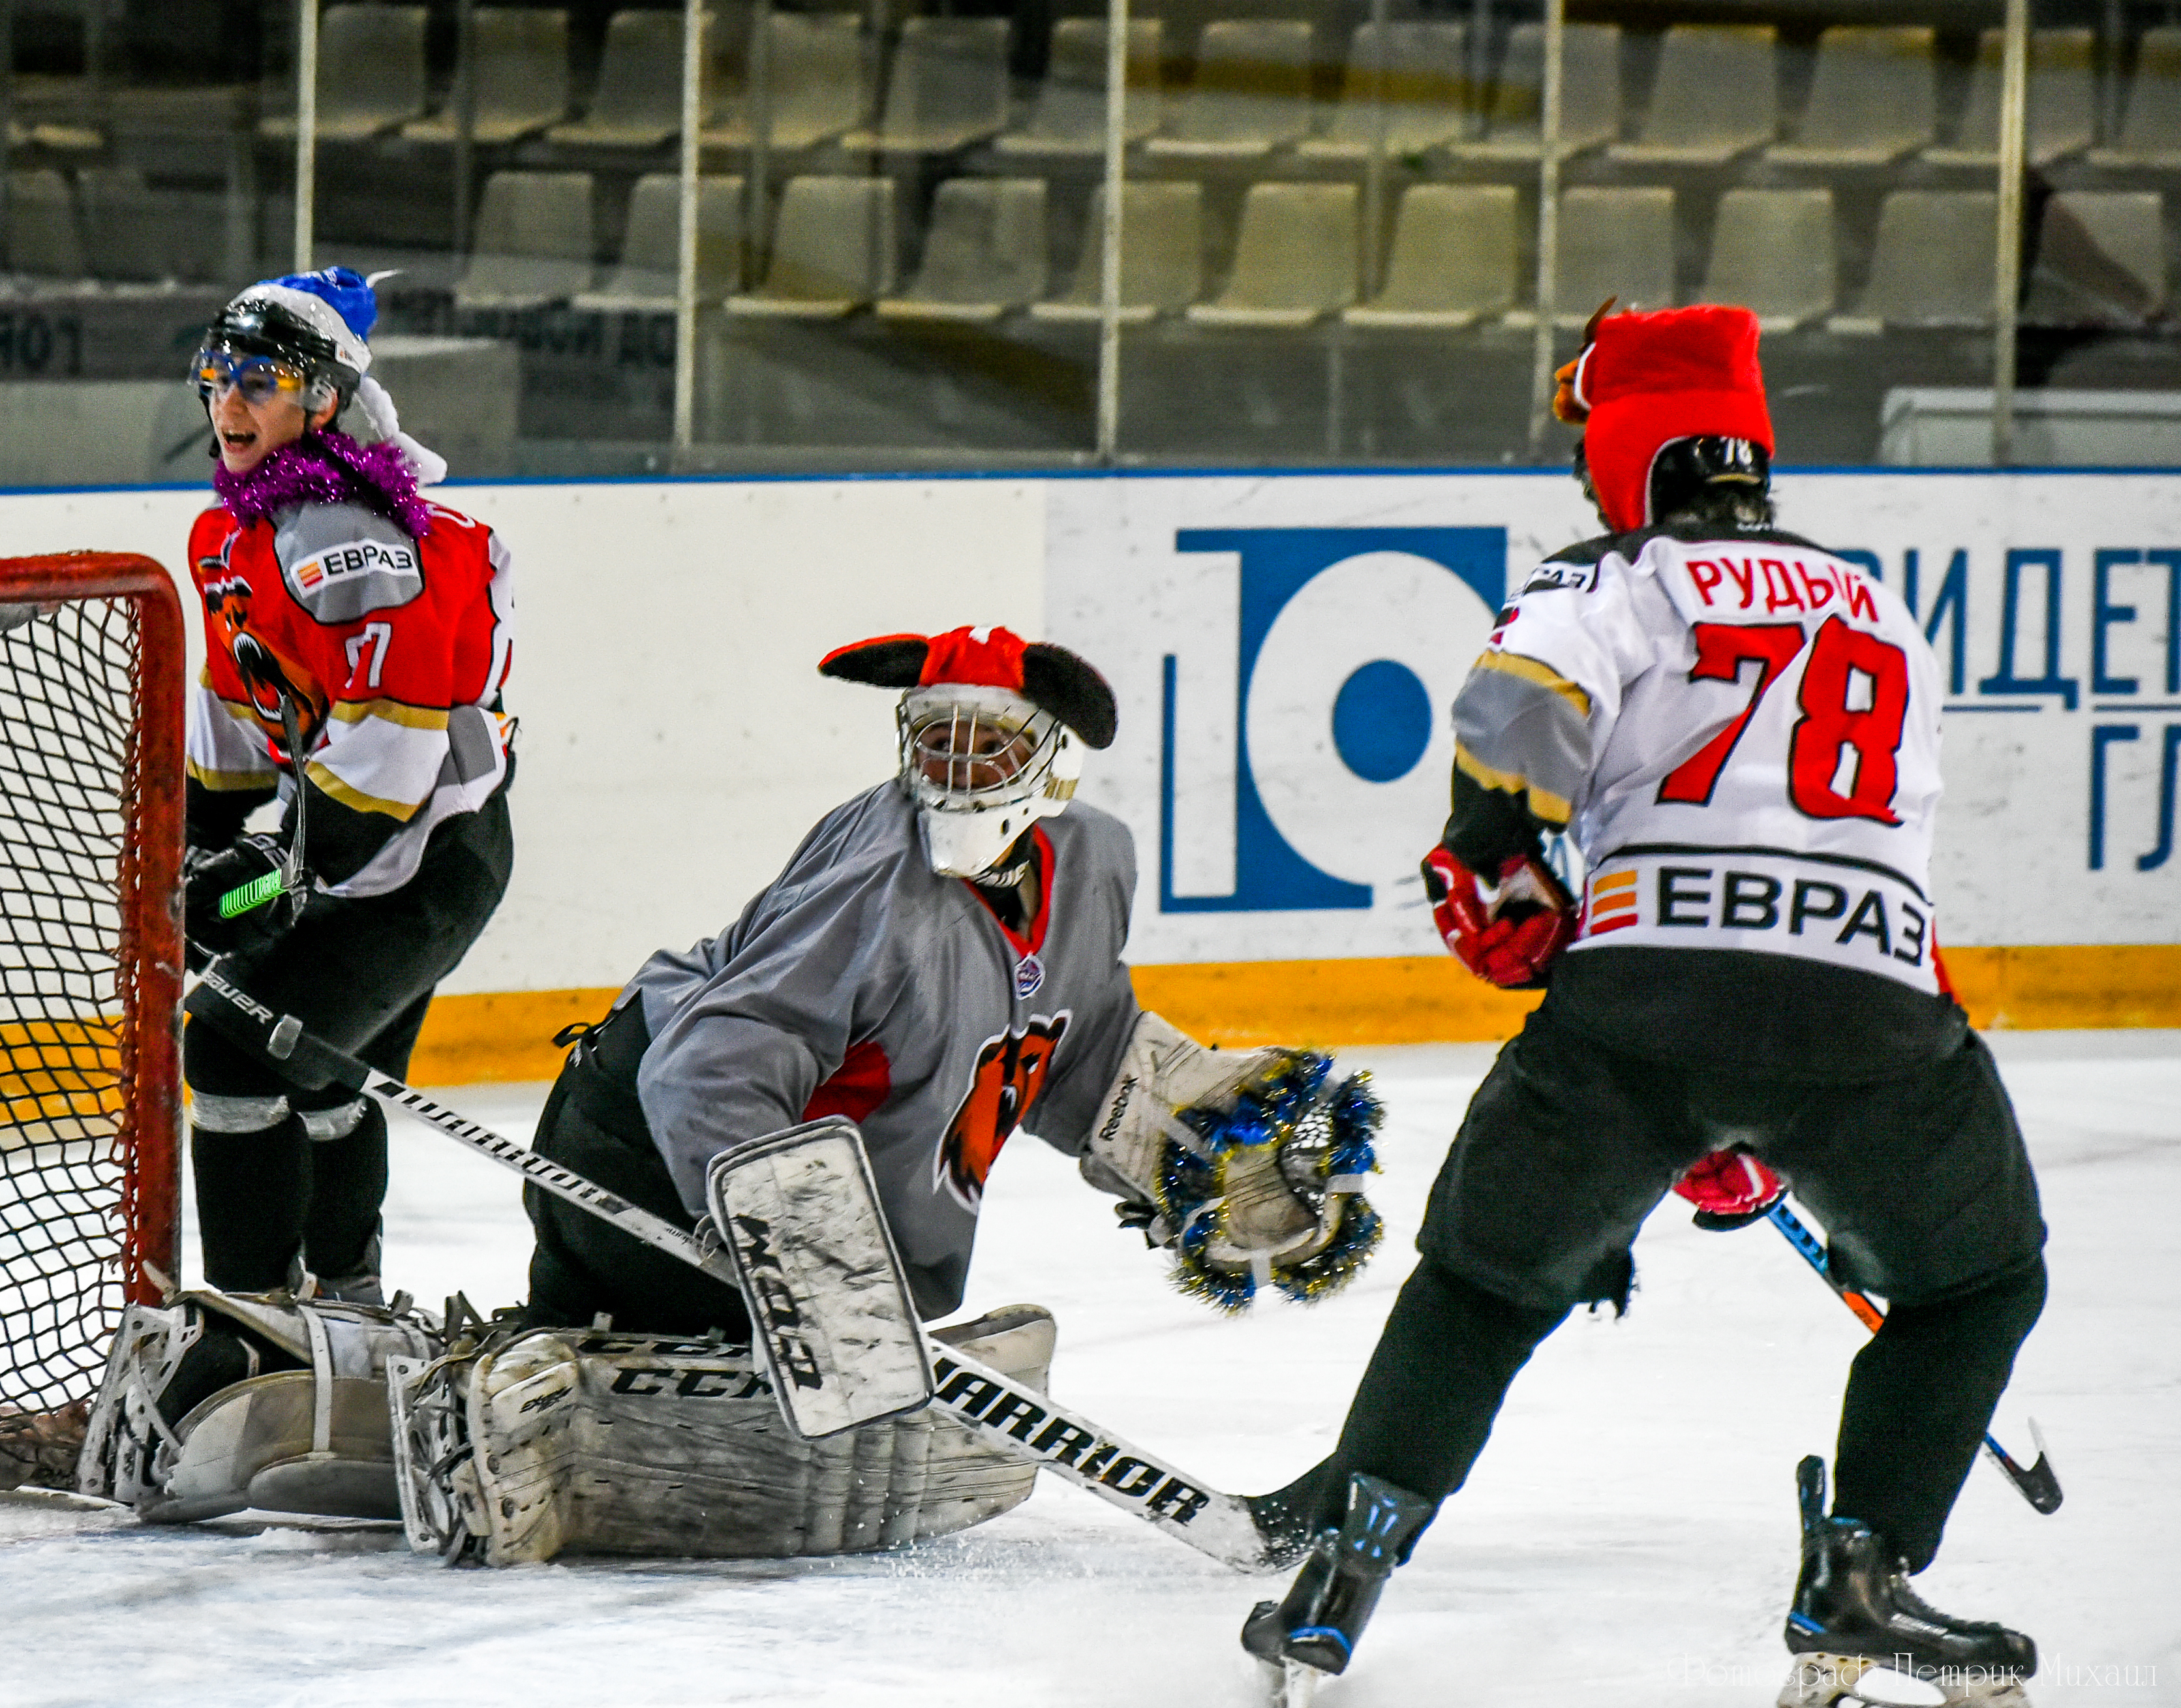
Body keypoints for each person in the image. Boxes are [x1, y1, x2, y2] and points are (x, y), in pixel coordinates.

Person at [1240, 305, 2047, 1708]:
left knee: (1486, 1285)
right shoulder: (1882, 610)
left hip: (1637, 1004)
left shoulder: (1614, 576)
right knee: (1976, 1281)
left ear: (1628, 454)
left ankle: (1343, 1565)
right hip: (1873, 1013)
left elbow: (1510, 721)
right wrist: (1784, 1108)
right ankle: (1861, 1574)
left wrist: (1496, 865)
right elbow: (1863, 867)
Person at [522, 624, 1382, 1339]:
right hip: (641, 1154)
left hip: (749, 1177)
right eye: (938, 741)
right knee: (606, 1333)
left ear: (1052, 762)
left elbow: (1068, 1050)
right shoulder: (879, 884)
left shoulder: (1093, 860)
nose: (959, 769)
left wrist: (1187, 1132)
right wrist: (796, 1247)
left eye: (990, 745)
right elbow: (709, 1068)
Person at [179, 266, 517, 1306]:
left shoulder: (357, 543)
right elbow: (240, 712)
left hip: (425, 866)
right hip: (347, 855)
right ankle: (347, 1302)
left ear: (322, 399)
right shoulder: (231, 536)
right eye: (217, 374)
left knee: (233, 1051)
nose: (229, 402)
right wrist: (206, 846)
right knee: (324, 1076)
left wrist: (249, 882)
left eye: (261, 380)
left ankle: (253, 1319)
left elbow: (391, 759)